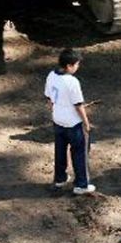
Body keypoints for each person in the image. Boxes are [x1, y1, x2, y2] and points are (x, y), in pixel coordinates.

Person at [44, 48, 95, 195]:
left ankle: (60, 179)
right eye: (77, 64)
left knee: (60, 151)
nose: (78, 67)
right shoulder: (72, 82)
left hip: (58, 120)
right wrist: (86, 123)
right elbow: (78, 105)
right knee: (80, 153)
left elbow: (49, 98)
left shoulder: (51, 75)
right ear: (69, 66)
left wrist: (56, 111)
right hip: (73, 123)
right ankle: (81, 184)